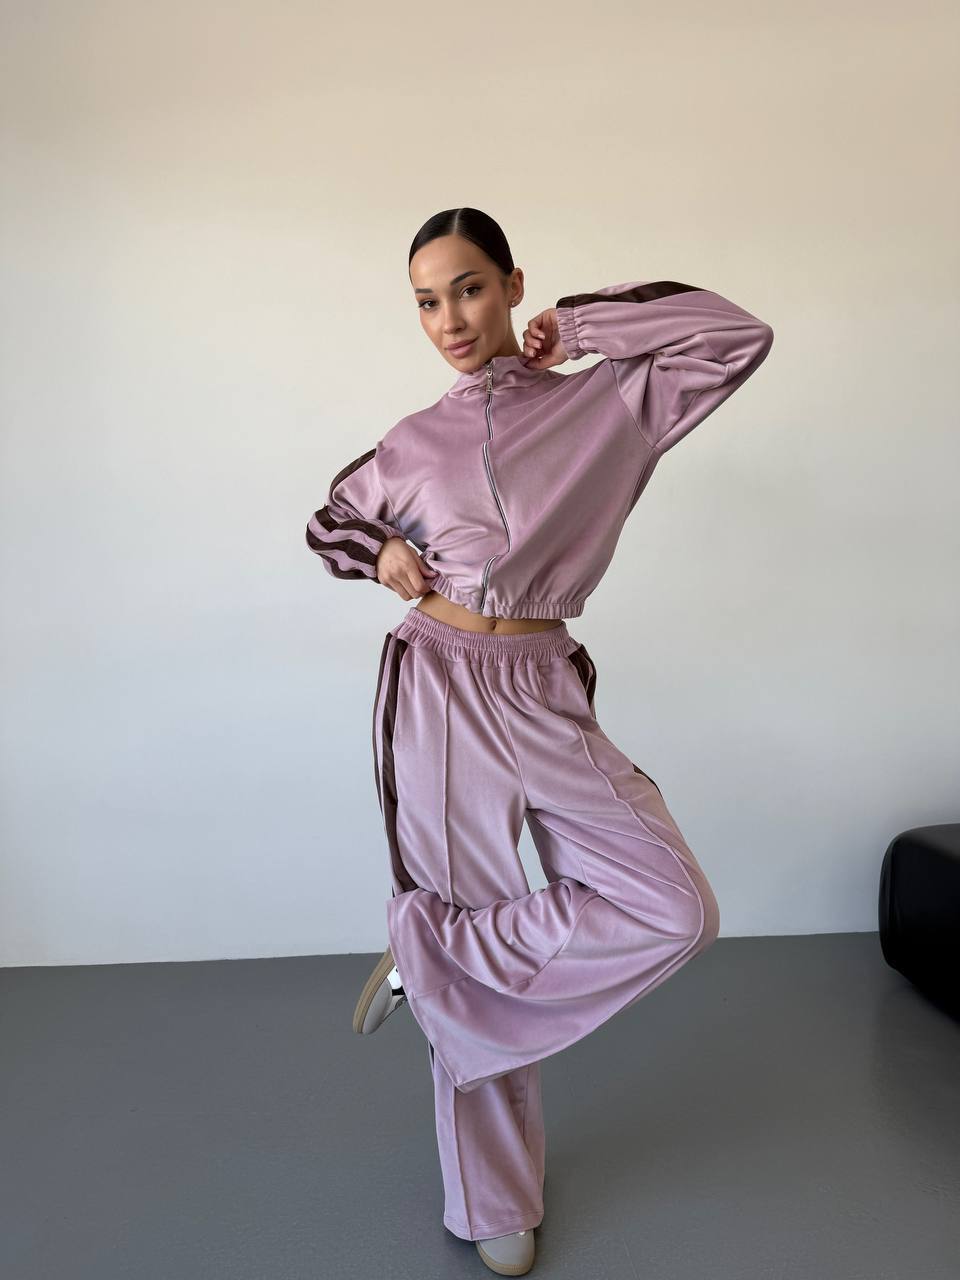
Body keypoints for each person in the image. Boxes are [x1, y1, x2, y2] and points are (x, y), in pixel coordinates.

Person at [305, 207, 774, 1275]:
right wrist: (377, 551)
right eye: (427, 302)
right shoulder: (411, 440)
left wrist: (589, 327)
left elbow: (734, 336)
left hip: (543, 682)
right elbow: (328, 520)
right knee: (469, 904)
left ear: (514, 285)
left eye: (470, 288)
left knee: (675, 905)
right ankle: (494, 1193)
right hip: (436, 686)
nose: (450, 320)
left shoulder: (612, 402)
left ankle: (436, 958)